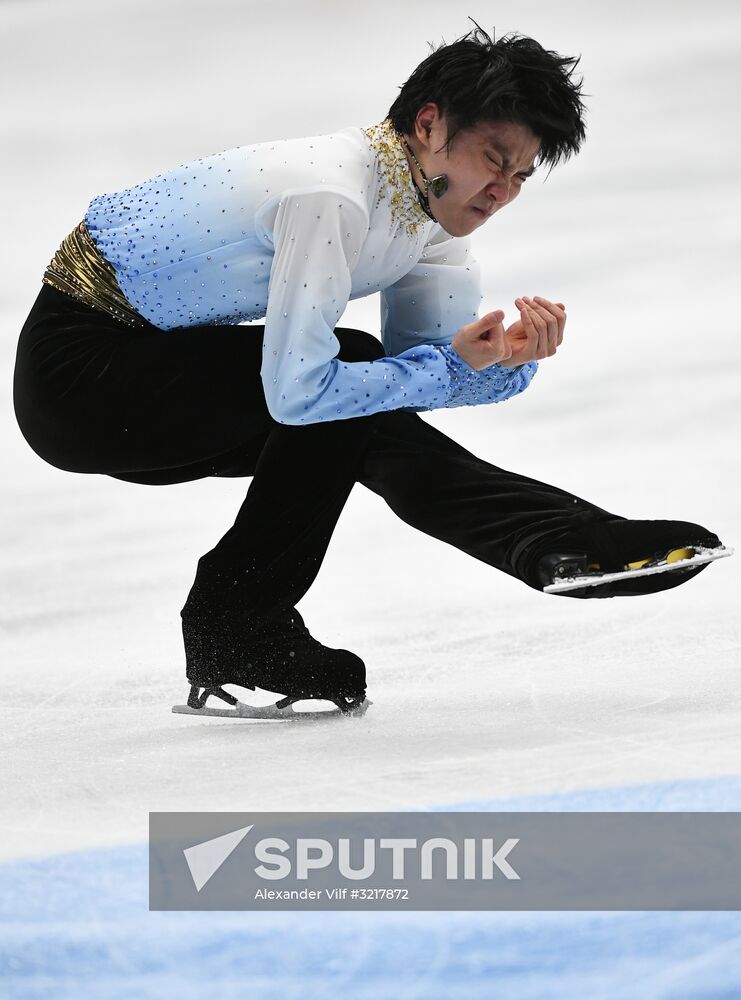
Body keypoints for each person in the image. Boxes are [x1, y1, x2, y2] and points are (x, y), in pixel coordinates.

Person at [13, 25, 723, 717]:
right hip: (82, 383)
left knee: (362, 408)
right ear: (428, 123)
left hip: (170, 384)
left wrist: (502, 360)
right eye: (493, 159)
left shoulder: (433, 225)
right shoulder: (330, 194)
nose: (502, 190)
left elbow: (415, 379)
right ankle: (238, 624)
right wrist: (444, 367)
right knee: (343, 374)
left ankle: (554, 544)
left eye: (520, 176)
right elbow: (303, 392)